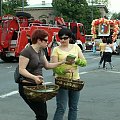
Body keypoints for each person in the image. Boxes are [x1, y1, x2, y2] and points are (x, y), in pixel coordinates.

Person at [18, 29, 65, 120]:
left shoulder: (41, 51)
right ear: (39, 40)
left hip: (37, 86)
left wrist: (61, 62)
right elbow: (21, 69)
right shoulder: (27, 51)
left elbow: (47, 66)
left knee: (42, 115)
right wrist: (34, 77)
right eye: (46, 40)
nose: (48, 42)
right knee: (41, 115)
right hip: (27, 86)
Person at [51, 28, 87, 120]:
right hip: (61, 81)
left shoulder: (76, 47)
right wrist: (64, 71)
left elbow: (84, 63)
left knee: (74, 107)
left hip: (75, 80)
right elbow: (54, 68)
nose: (62, 40)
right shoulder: (56, 49)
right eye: (60, 38)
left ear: (70, 38)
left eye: (65, 38)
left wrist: (76, 60)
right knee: (61, 108)